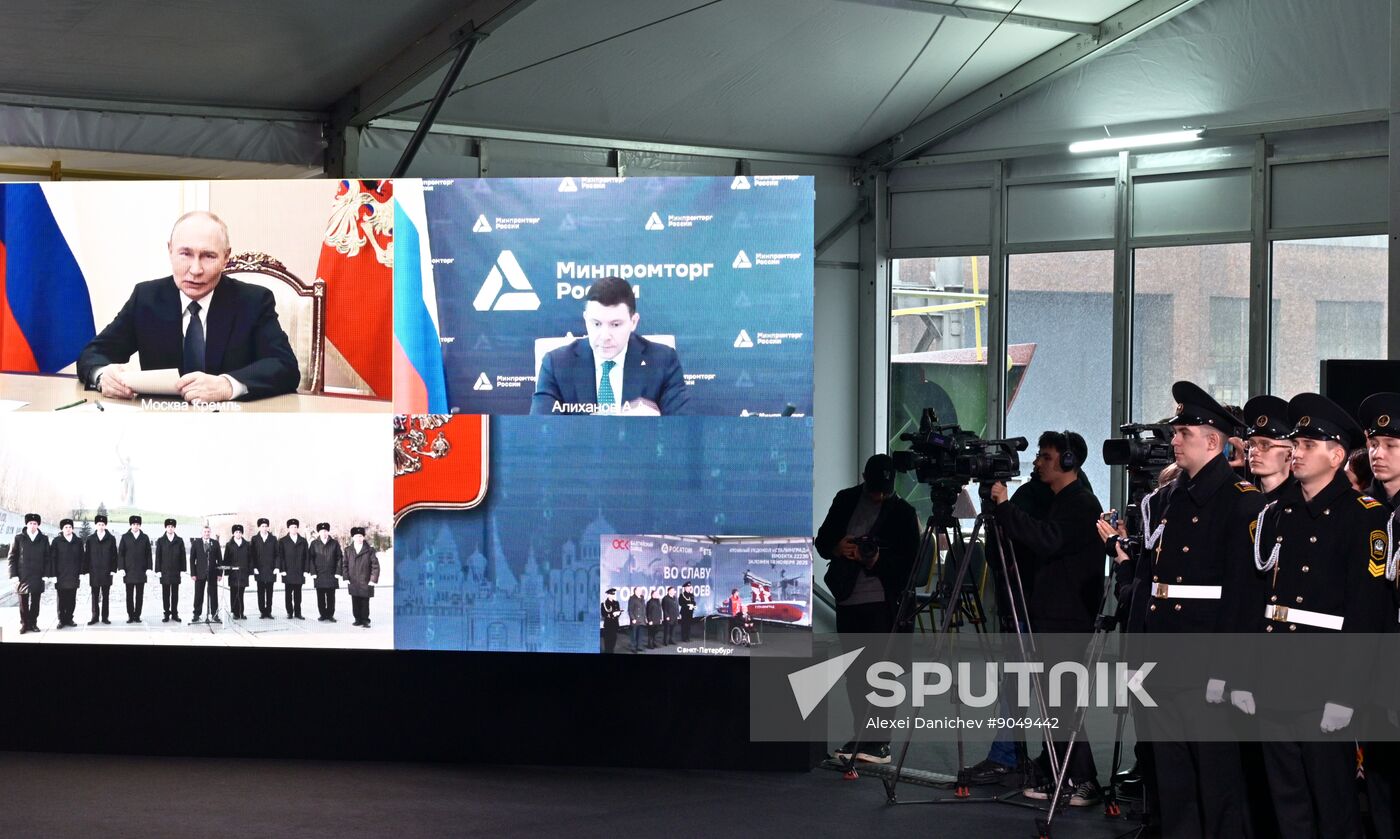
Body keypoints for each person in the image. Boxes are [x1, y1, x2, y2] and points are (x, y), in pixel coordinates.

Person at [1229, 392, 1392, 837]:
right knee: (1287, 802)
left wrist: (1346, 694)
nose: (1295, 452)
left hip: (1325, 682)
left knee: (1333, 802)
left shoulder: (1364, 518)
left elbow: (1365, 614)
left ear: (1336, 455)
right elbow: (1258, 603)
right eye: (1295, 444)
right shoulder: (1278, 513)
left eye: (1306, 445)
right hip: (1273, 675)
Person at [1126, 381, 1267, 839]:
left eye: (1184, 432)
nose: (1174, 439)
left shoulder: (1243, 502)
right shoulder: (1167, 499)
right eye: (1176, 431)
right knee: (1171, 777)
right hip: (1164, 655)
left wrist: (1227, 671)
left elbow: (1243, 601)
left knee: (1217, 775)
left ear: (1213, 440)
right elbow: (1150, 583)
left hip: (1208, 660)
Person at [988, 431, 1106, 806]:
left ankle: (1084, 779)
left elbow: (1047, 539)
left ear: (1068, 462)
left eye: (1046, 456)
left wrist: (1006, 508)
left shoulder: (1081, 504)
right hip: (1053, 616)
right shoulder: (1061, 501)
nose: (1038, 462)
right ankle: (1061, 772)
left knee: (1063, 701)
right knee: (1054, 702)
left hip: (1068, 619)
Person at [76, 211, 299, 403]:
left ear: (226, 257)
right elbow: (93, 354)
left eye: (208, 256)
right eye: (185, 254)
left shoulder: (253, 300)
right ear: (170, 250)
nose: (195, 270)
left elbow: (284, 366)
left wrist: (227, 385)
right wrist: (103, 375)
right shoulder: (146, 298)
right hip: (161, 420)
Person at [816, 453, 920, 766]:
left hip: (882, 601)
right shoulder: (845, 500)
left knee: (881, 672)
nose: (879, 495)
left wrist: (875, 560)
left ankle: (880, 741)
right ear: (864, 477)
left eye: (885, 489)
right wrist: (838, 548)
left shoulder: (902, 512)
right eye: (875, 488)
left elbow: (911, 565)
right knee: (855, 673)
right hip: (848, 598)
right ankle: (861, 734)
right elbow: (823, 542)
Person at [530, 276, 691, 416]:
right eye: (596, 324)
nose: (605, 336)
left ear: (633, 322)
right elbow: (542, 431)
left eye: (615, 324)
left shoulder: (663, 361)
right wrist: (611, 424)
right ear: (586, 320)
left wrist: (652, 425)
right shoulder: (556, 364)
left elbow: (681, 429)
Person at [1357, 392, 1400, 839]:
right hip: (1371, 660)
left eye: (1391, 445)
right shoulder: (1363, 512)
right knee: (1380, 776)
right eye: (1373, 443)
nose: (1377, 453)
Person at [8, 513, 49, 634]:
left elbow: (47, 558)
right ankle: (25, 624)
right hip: (22, 575)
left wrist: (46, 574)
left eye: (35, 523)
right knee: (23, 602)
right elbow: (11, 558)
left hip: (38, 574)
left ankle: (33, 623)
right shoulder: (18, 538)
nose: (32, 525)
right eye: (30, 523)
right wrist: (13, 575)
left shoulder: (43, 539)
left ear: (38, 525)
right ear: (26, 524)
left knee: (35, 601)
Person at [48, 518, 84, 629]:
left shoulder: (78, 541)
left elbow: (82, 558)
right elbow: (52, 559)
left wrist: (81, 572)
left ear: (72, 528)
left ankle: (69, 618)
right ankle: (61, 620)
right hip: (60, 575)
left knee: (72, 598)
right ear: (62, 529)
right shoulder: (56, 541)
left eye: (70, 527)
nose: (68, 529)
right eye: (66, 527)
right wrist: (53, 574)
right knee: (61, 598)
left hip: (73, 574)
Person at [83, 513, 117, 625]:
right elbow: (87, 555)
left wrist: (113, 569)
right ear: (96, 525)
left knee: (106, 595)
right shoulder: (90, 539)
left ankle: (105, 617)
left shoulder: (111, 539)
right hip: (94, 572)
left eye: (103, 524)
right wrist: (86, 570)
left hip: (107, 572)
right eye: (99, 524)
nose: (101, 526)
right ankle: (94, 616)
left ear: (105, 525)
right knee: (94, 595)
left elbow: (114, 555)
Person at [117, 515, 152, 623]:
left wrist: (149, 568)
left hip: (141, 571)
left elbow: (148, 554)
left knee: (139, 595)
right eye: (134, 524)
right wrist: (121, 568)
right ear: (130, 525)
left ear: (140, 525)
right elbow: (121, 554)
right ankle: (130, 615)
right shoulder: (125, 537)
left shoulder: (145, 537)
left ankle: (137, 615)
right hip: (129, 571)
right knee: (129, 595)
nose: (136, 526)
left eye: (137, 524)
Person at [344, 527, 379, 628]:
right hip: (353, 580)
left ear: (363, 537)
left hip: (365, 580)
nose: (359, 538)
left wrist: (373, 579)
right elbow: (344, 564)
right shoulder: (348, 550)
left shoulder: (369, 550)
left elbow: (375, 565)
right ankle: (357, 619)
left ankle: (365, 620)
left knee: (364, 601)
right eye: (356, 536)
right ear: (353, 537)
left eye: (361, 536)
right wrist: (346, 577)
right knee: (355, 600)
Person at [309, 522, 343, 622]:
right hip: (319, 574)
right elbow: (310, 559)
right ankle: (323, 614)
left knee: (331, 597)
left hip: (332, 574)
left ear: (328, 532)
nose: (324, 533)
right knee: (320, 596)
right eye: (321, 531)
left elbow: (339, 558)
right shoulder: (314, 544)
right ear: (318, 532)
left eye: (325, 531)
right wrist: (313, 572)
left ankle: (330, 615)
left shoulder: (334, 543)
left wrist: (338, 572)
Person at [154, 518, 185, 623]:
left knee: (175, 593)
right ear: (165, 527)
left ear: (174, 528)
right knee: (166, 593)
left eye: (172, 527)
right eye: (168, 527)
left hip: (176, 571)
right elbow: (158, 556)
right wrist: (158, 570)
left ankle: (175, 614)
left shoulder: (179, 540)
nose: (170, 528)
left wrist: (183, 569)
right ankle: (166, 613)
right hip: (165, 571)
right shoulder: (161, 540)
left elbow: (183, 556)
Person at [189, 524, 222, 624]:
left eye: (208, 532)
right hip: (199, 573)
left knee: (213, 594)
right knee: (198, 594)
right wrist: (193, 574)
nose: (207, 533)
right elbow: (192, 559)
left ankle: (214, 614)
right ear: (201, 533)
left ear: (210, 532)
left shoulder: (215, 543)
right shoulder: (196, 543)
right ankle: (196, 614)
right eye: (205, 532)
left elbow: (219, 559)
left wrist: (220, 573)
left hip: (212, 573)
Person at [278, 518, 309, 620]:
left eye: (295, 527)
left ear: (297, 528)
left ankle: (298, 612)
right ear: (288, 528)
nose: (294, 529)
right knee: (288, 594)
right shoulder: (282, 541)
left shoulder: (303, 541)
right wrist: (282, 569)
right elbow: (280, 556)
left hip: (299, 571)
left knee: (298, 594)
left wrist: (306, 570)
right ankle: (289, 612)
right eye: (291, 527)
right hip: (288, 571)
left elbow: (306, 556)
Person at [250, 517, 279, 619]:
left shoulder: (273, 539)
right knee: (261, 591)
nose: (264, 528)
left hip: (271, 569)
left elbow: (277, 554)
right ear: (259, 527)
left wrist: (276, 567)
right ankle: (262, 611)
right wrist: (254, 567)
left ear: (268, 527)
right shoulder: (254, 539)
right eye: (262, 526)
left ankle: (269, 611)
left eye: (266, 526)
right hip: (259, 569)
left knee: (270, 591)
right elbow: (252, 555)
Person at [223, 524, 251, 620]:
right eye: (236, 532)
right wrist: (226, 572)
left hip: (243, 573)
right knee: (234, 592)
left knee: (241, 593)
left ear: (242, 533)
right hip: (233, 573)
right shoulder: (229, 545)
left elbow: (250, 558)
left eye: (240, 532)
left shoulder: (247, 544)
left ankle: (241, 612)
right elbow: (226, 559)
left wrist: (250, 571)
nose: (238, 534)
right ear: (233, 533)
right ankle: (235, 612)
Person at [601, 588, 622, 653]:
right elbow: (603, 614)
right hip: (608, 624)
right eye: (611, 594)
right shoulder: (604, 604)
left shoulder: (616, 603)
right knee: (607, 639)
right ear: (608, 595)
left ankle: (611, 650)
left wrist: (618, 614)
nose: (613, 596)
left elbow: (618, 611)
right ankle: (607, 650)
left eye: (613, 594)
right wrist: (612, 615)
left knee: (614, 638)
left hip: (615, 624)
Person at [626, 586, 646, 653]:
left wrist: (645, 618)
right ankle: (633, 647)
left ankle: (639, 646)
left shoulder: (642, 598)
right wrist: (633, 618)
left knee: (640, 634)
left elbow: (643, 609)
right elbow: (630, 610)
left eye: (641, 590)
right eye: (639, 590)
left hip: (642, 620)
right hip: (635, 620)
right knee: (633, 635)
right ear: (635, 591)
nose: (640, 591)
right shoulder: (632, 598)